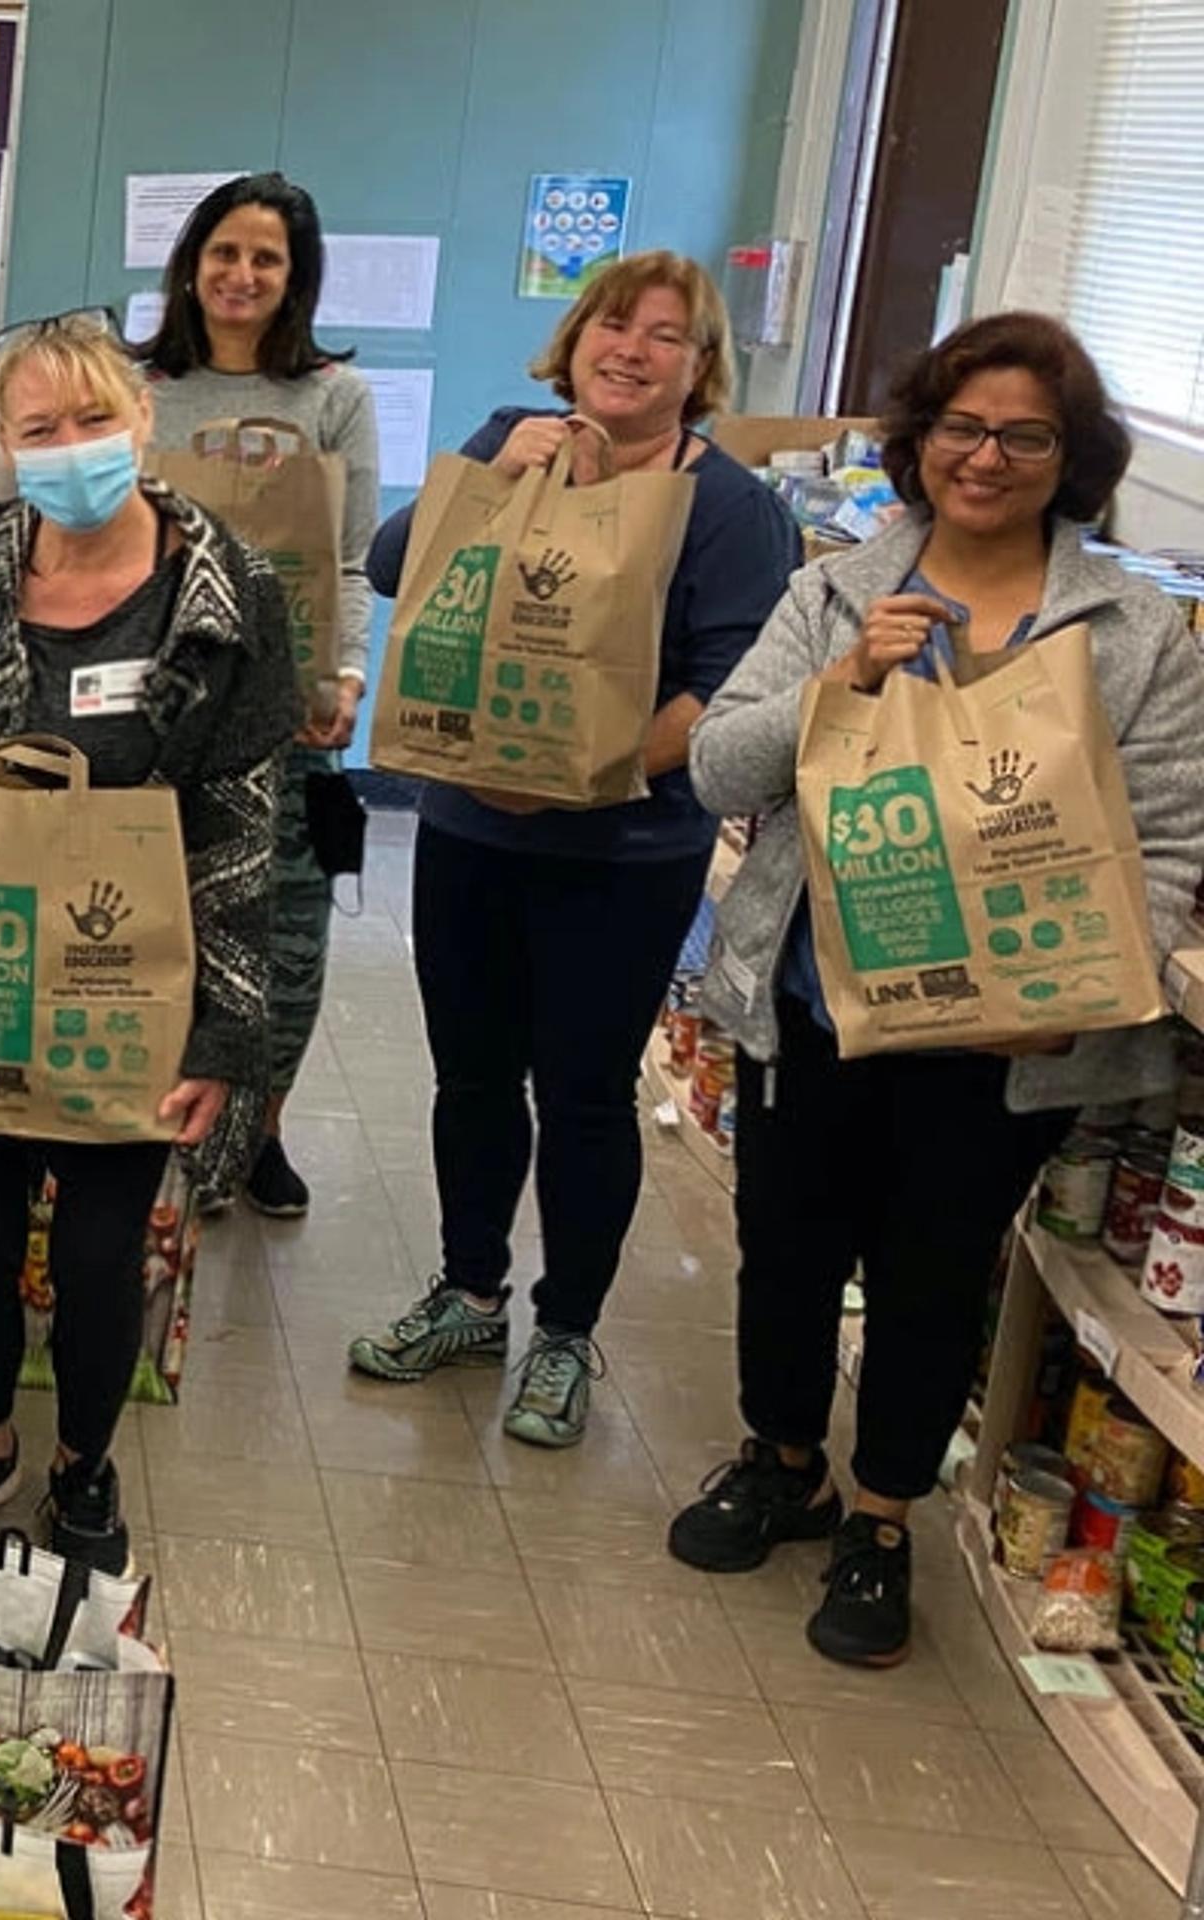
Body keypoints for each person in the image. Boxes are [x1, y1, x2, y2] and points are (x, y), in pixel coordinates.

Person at [674, 314, 1204, 1664]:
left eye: (1026, 435)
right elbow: (718, 768)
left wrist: (1091, 985)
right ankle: (783, 1461)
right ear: (920, 440)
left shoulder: (1136, 629)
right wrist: (844, 682)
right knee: (788, 1250)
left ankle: (883, 1517)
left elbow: (1168, 837)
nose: (987, 457)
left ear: (1072, 457)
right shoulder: (836, 592)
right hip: (818, 1007)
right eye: (963, 428)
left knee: (932, 1274)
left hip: (1007, 1042)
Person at [0, 313, 297, 1572]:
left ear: (142, 419)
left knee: (99, 1256)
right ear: (3, 443)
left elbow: (243, 823)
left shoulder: (229, 596)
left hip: (131, 972)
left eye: (93, 419)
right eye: (38, 429)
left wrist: (224, 1032)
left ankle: (84, 1465)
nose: (70, 447)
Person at [339, 252, 798, 1450]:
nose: (631, 349)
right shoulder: (511, 438)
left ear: (701, 367)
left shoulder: (733, 510)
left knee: (586, 1093)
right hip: (470, 826)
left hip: (625, 848)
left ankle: (565, 1331)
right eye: (612, 323)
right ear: (575, 339)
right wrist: (493, 477)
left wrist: (581, 776)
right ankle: (469, 1292)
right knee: (471, 1076)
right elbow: (392, 566)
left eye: (666, 335)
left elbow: (727, 688)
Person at [134, 173, 377, 1221]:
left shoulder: (333, 398)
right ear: (192, 264)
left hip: (287, 712)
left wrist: (346, 674)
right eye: (224, 252)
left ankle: (260, 1131)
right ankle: (166, 1117)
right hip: (158, 707)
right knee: (163, 921)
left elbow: (350, 559)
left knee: (283, 935)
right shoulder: (139, 387)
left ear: (295, 278)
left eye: (266, 258)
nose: (241, 274)